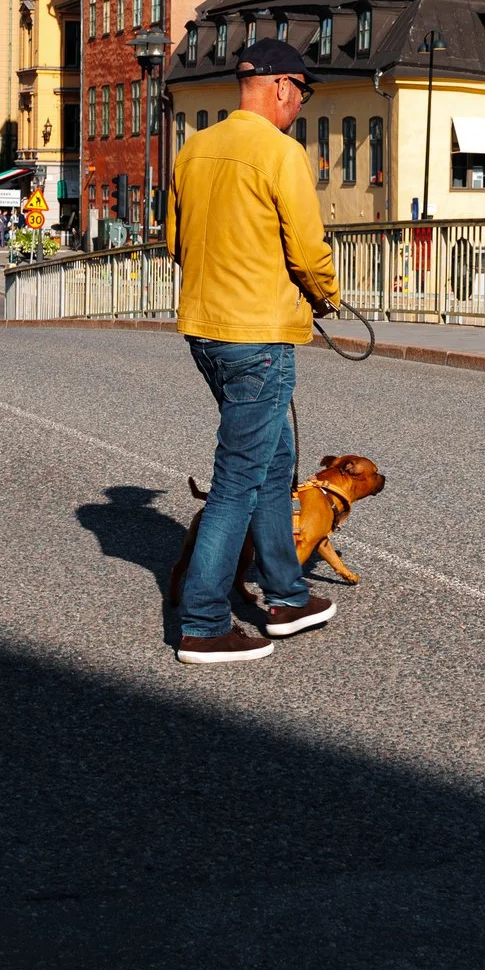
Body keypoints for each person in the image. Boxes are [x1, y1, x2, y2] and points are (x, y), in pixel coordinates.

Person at [162, 38, 342, 666]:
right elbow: (307, 249)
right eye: (301, 94)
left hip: (205, 328)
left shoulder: (193, 149)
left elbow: (176, 243)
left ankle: (288, 595)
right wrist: (326, 296)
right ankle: (205, 624)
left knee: (272, 464)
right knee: (238, 479)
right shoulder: (281, 153)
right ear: (282, 87)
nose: (299, 105)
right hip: (258, 336)